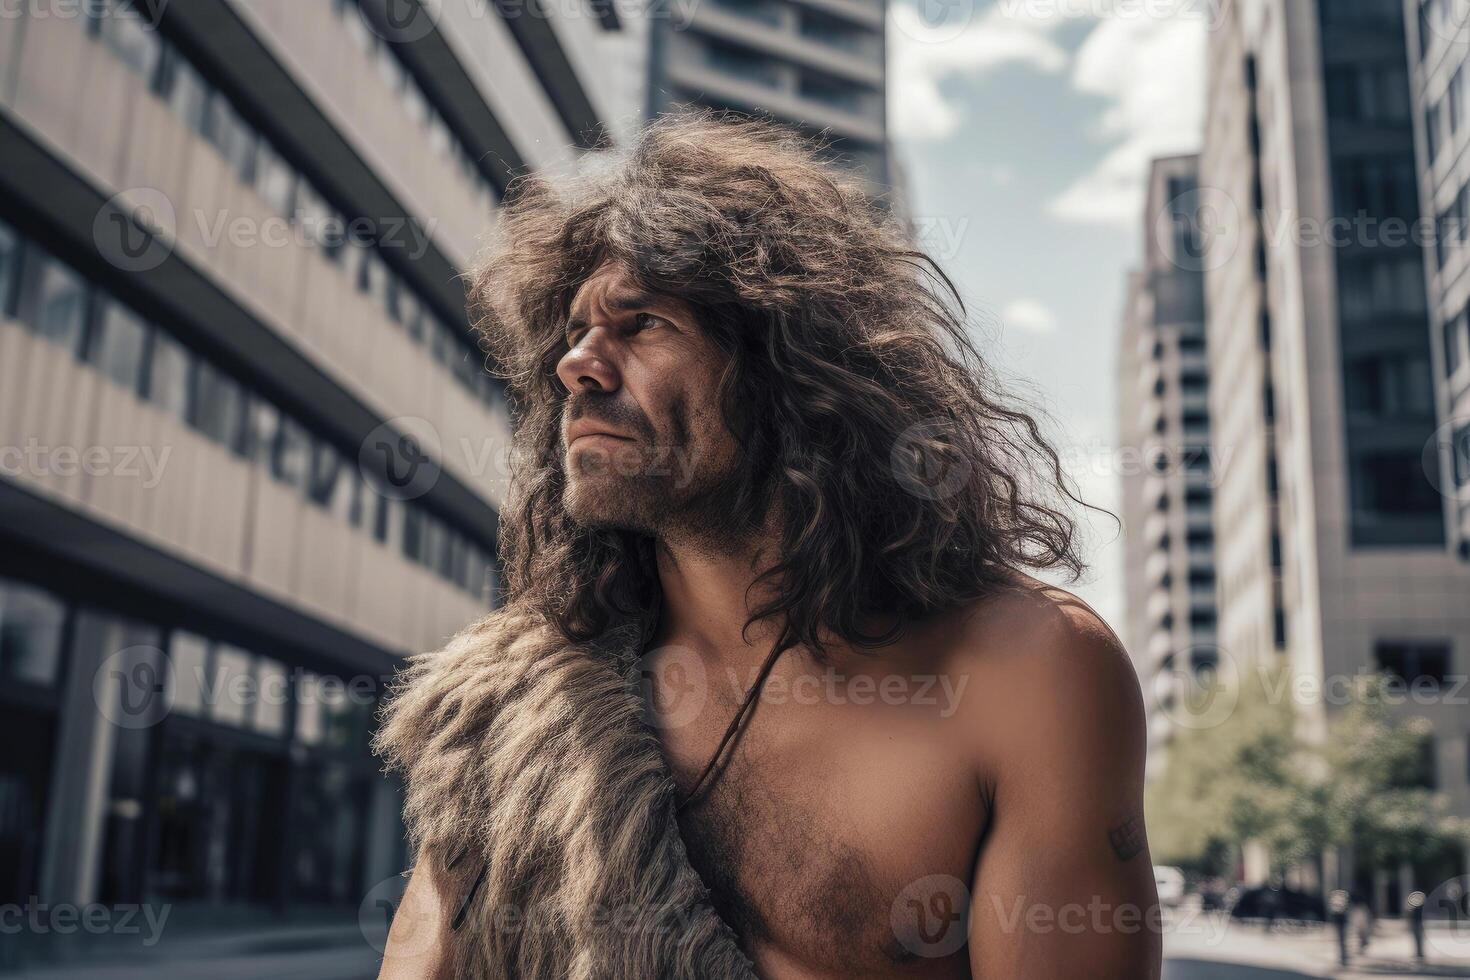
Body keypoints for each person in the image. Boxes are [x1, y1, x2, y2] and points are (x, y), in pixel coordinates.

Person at [373, 112, 1162, 979]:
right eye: (573, 335)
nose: (580, 364)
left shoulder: (1026, 672)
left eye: (642, 326)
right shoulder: (516, 707)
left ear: (791, 371)